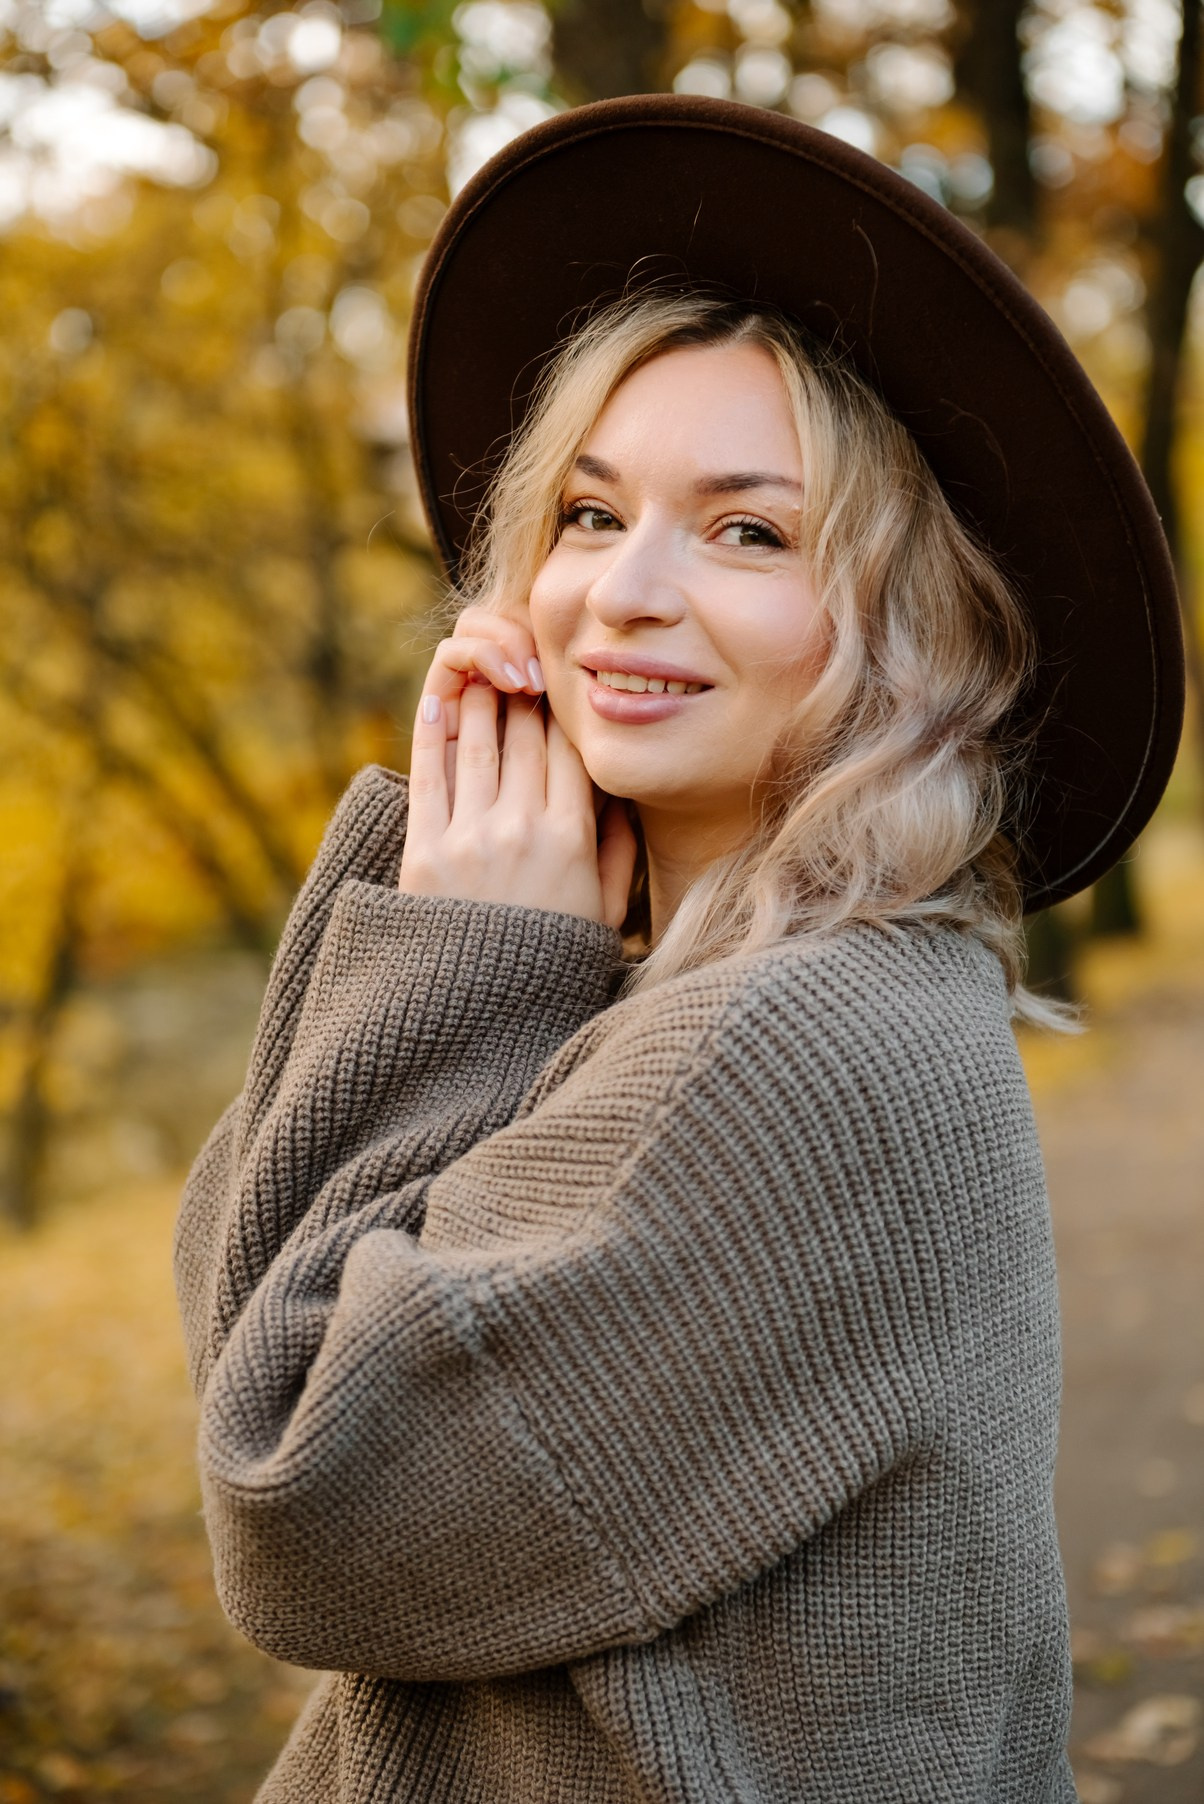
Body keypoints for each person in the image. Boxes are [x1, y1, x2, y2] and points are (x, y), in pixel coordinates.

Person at [173, 97, 1183, 1803]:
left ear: (916, 630)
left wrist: (457, 956)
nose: (624, 593)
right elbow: (254, 1300)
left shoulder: (810, 1044)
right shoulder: (674, 993)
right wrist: (463, 933)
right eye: (585, 512)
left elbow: (297, 1496)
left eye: (748, 532)